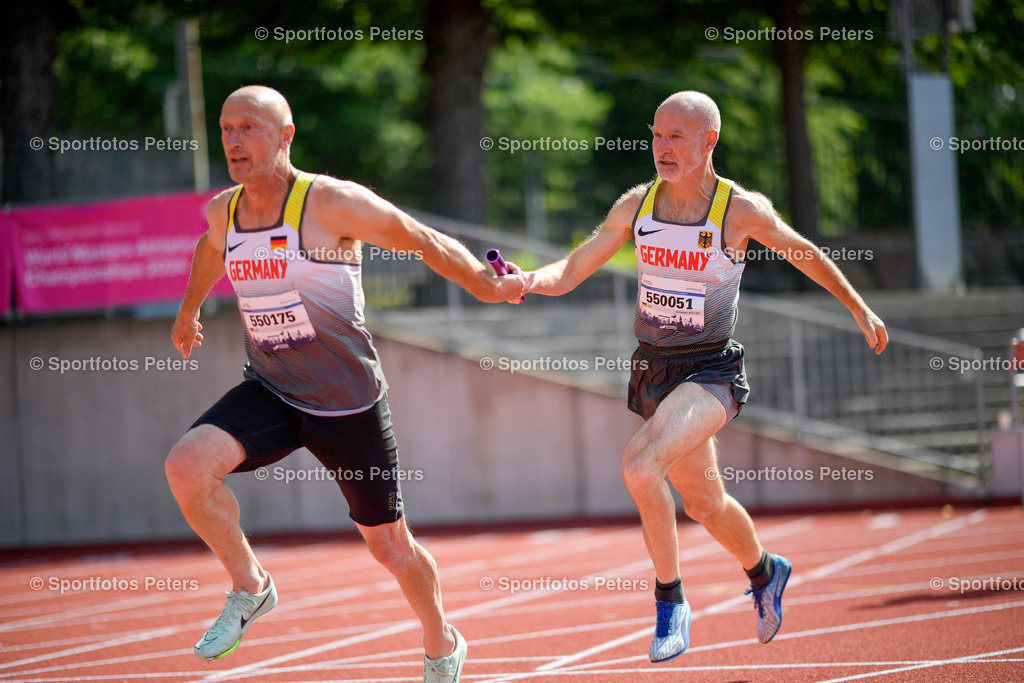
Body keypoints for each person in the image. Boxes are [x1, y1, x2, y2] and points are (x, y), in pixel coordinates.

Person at [165, 85, 526, 682]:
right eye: (226, 128)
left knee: (388, 546)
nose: (233, 140)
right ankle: (250, 586)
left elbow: (422, 238)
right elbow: (209, 251)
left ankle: (443, 644)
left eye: (248, 127)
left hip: (347, 405)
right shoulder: (222, 212)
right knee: (186, 466)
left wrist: (486, 286)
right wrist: (187, 311)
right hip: (273, 391)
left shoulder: (330, 202)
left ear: (286, 136)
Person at [519, 91, 888, 661]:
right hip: (653, 370)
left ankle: (670, 603)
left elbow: (804, 252)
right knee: (705, 504)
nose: (662, 149)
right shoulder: (637, 205)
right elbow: (571, 269)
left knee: (640, 468)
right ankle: (767, 571)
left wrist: (859, 306)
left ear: (708, 141)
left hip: (711, 370)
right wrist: (528, 281)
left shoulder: (738, 211)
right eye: (656, 135)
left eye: (676, 138)